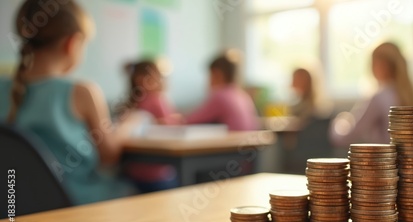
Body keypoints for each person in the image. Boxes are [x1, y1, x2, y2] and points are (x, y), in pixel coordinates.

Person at [0, 0, 139, 205]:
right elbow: (109, 156)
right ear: (72, 43)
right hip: (76, 205)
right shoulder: (82, 92)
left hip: (15, 207)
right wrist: (130, 123)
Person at [330, 42, 413, 146]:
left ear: (381, 65)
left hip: (383, 160)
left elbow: (345, 138)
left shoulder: (379, 98)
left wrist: (338, 124)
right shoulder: (408, 95)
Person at [120, 60, 179, 193]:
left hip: (133, 173)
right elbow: (172, 129)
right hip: (157, 174)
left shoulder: (131, 104)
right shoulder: (157, 100)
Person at [186, 50, 259, 131]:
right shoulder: (243, 95)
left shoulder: (221, 96)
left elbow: (191, 120)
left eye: (210, 75)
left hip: (232, 142)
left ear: (218, 74)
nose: (208, 80)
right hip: (248, 142)